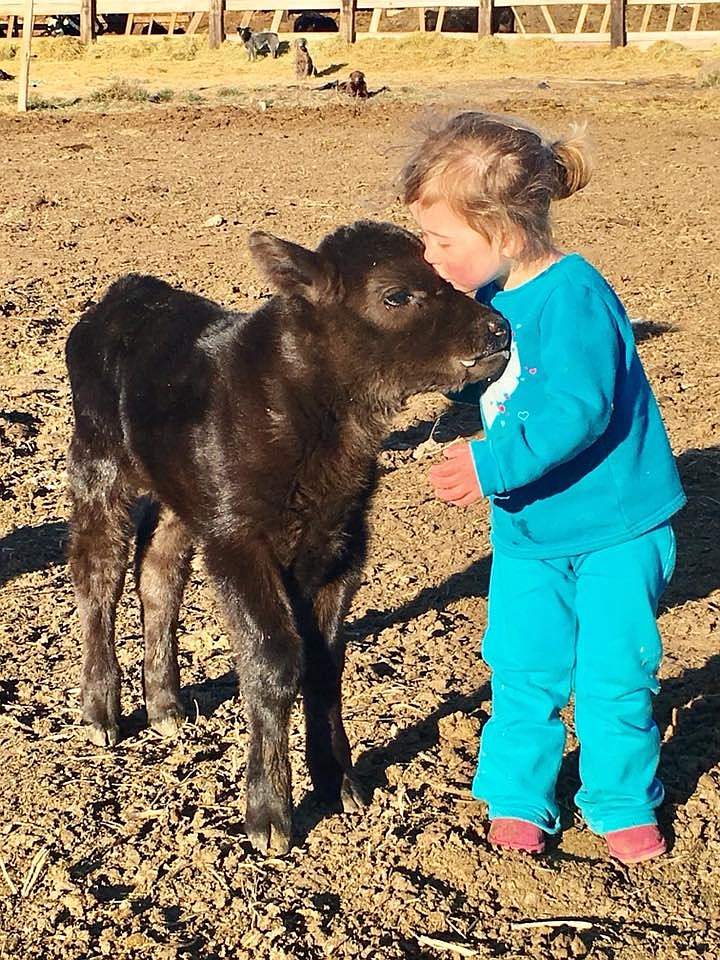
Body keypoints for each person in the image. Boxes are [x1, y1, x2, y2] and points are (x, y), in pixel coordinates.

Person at [399, 111, 686, 864]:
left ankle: (619, 798)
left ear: (504, 228)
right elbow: (495, 386)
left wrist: (490, 465)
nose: (430, 260)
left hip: (615, 529)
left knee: (613, 672)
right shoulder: (491, 299)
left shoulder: (572, 296)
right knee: (522, 664)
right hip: (530, 531)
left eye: (442, 242)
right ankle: (519, 794)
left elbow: (575, 409)